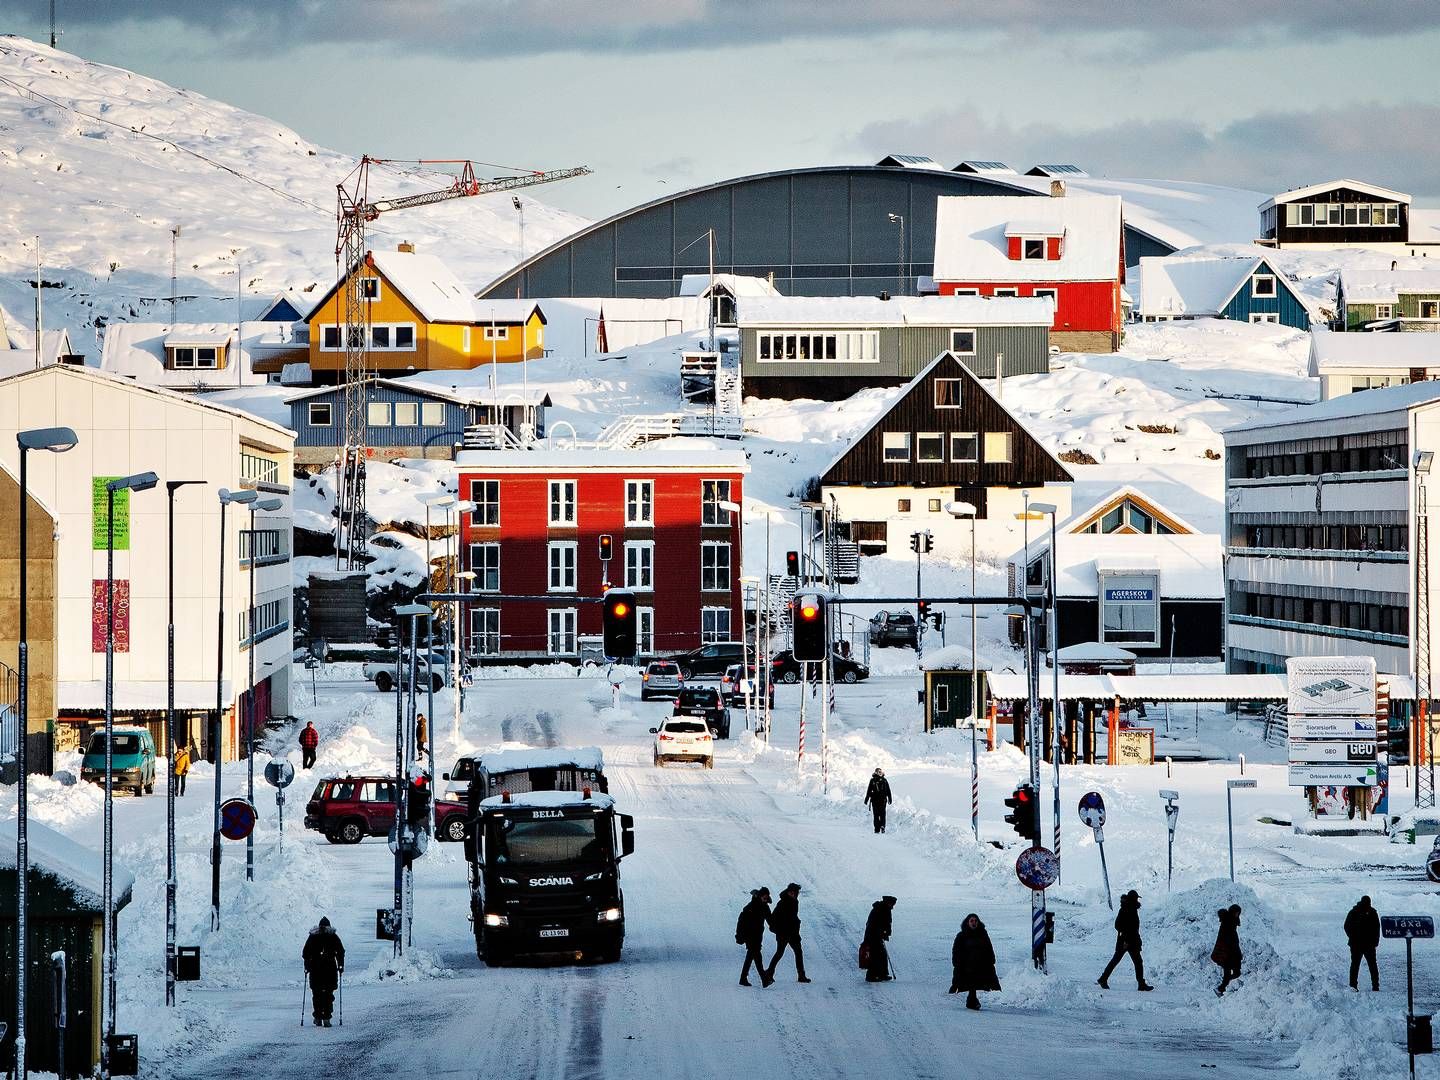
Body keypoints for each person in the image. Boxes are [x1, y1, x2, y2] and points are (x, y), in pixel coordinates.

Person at [1098, 890, 1153, 991]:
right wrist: (1126, 940)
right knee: (1126, 961)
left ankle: (1141, 984)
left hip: (1131, 941)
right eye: (1136, 898)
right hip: (1126, 942)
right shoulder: (1127, 909)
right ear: (1132, 899)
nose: (1137, 900)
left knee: (1136, 962)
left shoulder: (1130, 908)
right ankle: (1103, 979)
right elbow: (1119, 925)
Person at [950, 912, 1001, 1010]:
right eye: (971, 921)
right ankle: (972, 1001)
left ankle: (972, 1001)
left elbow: (989, 948)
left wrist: (991, 960)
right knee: (970, 984)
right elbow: (956, 950)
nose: (974, 923)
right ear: (967, 923)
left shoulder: (983, 934)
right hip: (967, 966)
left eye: (975, 921)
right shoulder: (961, 936)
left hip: (980, 965)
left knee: (979, 983)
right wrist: (956, 962)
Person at [302, 916, 345, 1026]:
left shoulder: (313, 937)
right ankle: (326, 1017)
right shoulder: (333, 936)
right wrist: (340, 965)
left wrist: (307, 967)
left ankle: (318, 1017)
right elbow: (340, 951)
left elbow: (306, 953)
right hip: (329, 969)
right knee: (328, 994)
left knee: (317, 994)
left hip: (315, 969)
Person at [766, 882, 810, 984]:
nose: (797, 894)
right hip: (784, 933)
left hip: (793, 933)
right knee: (780, 953)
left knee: (798, 952)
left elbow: (793, 917)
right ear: (790, 892)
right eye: (795, 892)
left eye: (797, 892)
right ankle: (769, 972)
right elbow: (776, 917)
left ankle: (801, 975)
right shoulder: (783, 903)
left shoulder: (794, 901)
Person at [736, 888, 773, 987]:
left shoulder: (765, 907)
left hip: (757, 935)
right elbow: (741, 921)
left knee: (751, 956)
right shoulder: (751, 907)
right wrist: (739, 935)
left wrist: (777, 928)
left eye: (766, 898)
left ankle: (743, 978)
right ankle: (764, 979)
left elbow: (771, 920)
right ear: (760, 896)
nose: (765, 899)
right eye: (764, 897)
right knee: (757, 956)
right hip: (749, 935)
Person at [1344, 895, 1380, 992]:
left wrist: (1352, 937)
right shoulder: (1372, 912)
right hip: (1366, 944)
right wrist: (1375, 941)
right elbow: (1377, 929)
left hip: (1358, 944)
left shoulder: (1354, 912)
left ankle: (1353, 985)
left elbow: (1346, 926)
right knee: (1371, 966)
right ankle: (1375, 986)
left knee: (1356, 965)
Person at [1211, 904, 1243, 996]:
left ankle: (1224, 988)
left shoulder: (1231, 922)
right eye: (1236, 913)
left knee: (1236, 973)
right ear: (1233, 912)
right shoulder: (1227, 923)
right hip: (1226, 954)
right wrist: (1233, 950)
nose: (1238, 914)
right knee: (1229, 973)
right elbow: (1227, 940)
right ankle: (1221, 989)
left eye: (1238, 913)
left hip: (1232, 953)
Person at [863, 895, 897, 982]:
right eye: (892, 904)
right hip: (873, 935)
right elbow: (875, 923)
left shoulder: (884, 909)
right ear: (888, 903)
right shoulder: (880, 909)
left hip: (877, 935)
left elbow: (887, 923)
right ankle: (871, 976)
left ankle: (882, 974)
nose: (893, 907)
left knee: (882, 954)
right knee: (875, 954)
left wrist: (886, 933)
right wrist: (882, 932)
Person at [864, 768, 892, 834]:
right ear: (876, 772)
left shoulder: (884, 780)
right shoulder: (873, 780)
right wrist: (866, 799)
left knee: (881, 814)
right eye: (878, 772)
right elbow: (869, 790)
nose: (880, 773)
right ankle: (878, 828)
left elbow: (888, 790)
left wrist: (890, 798)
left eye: (880, 771)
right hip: (875, 801)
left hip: (882, 801)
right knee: (877, 815)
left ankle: (881, 827)